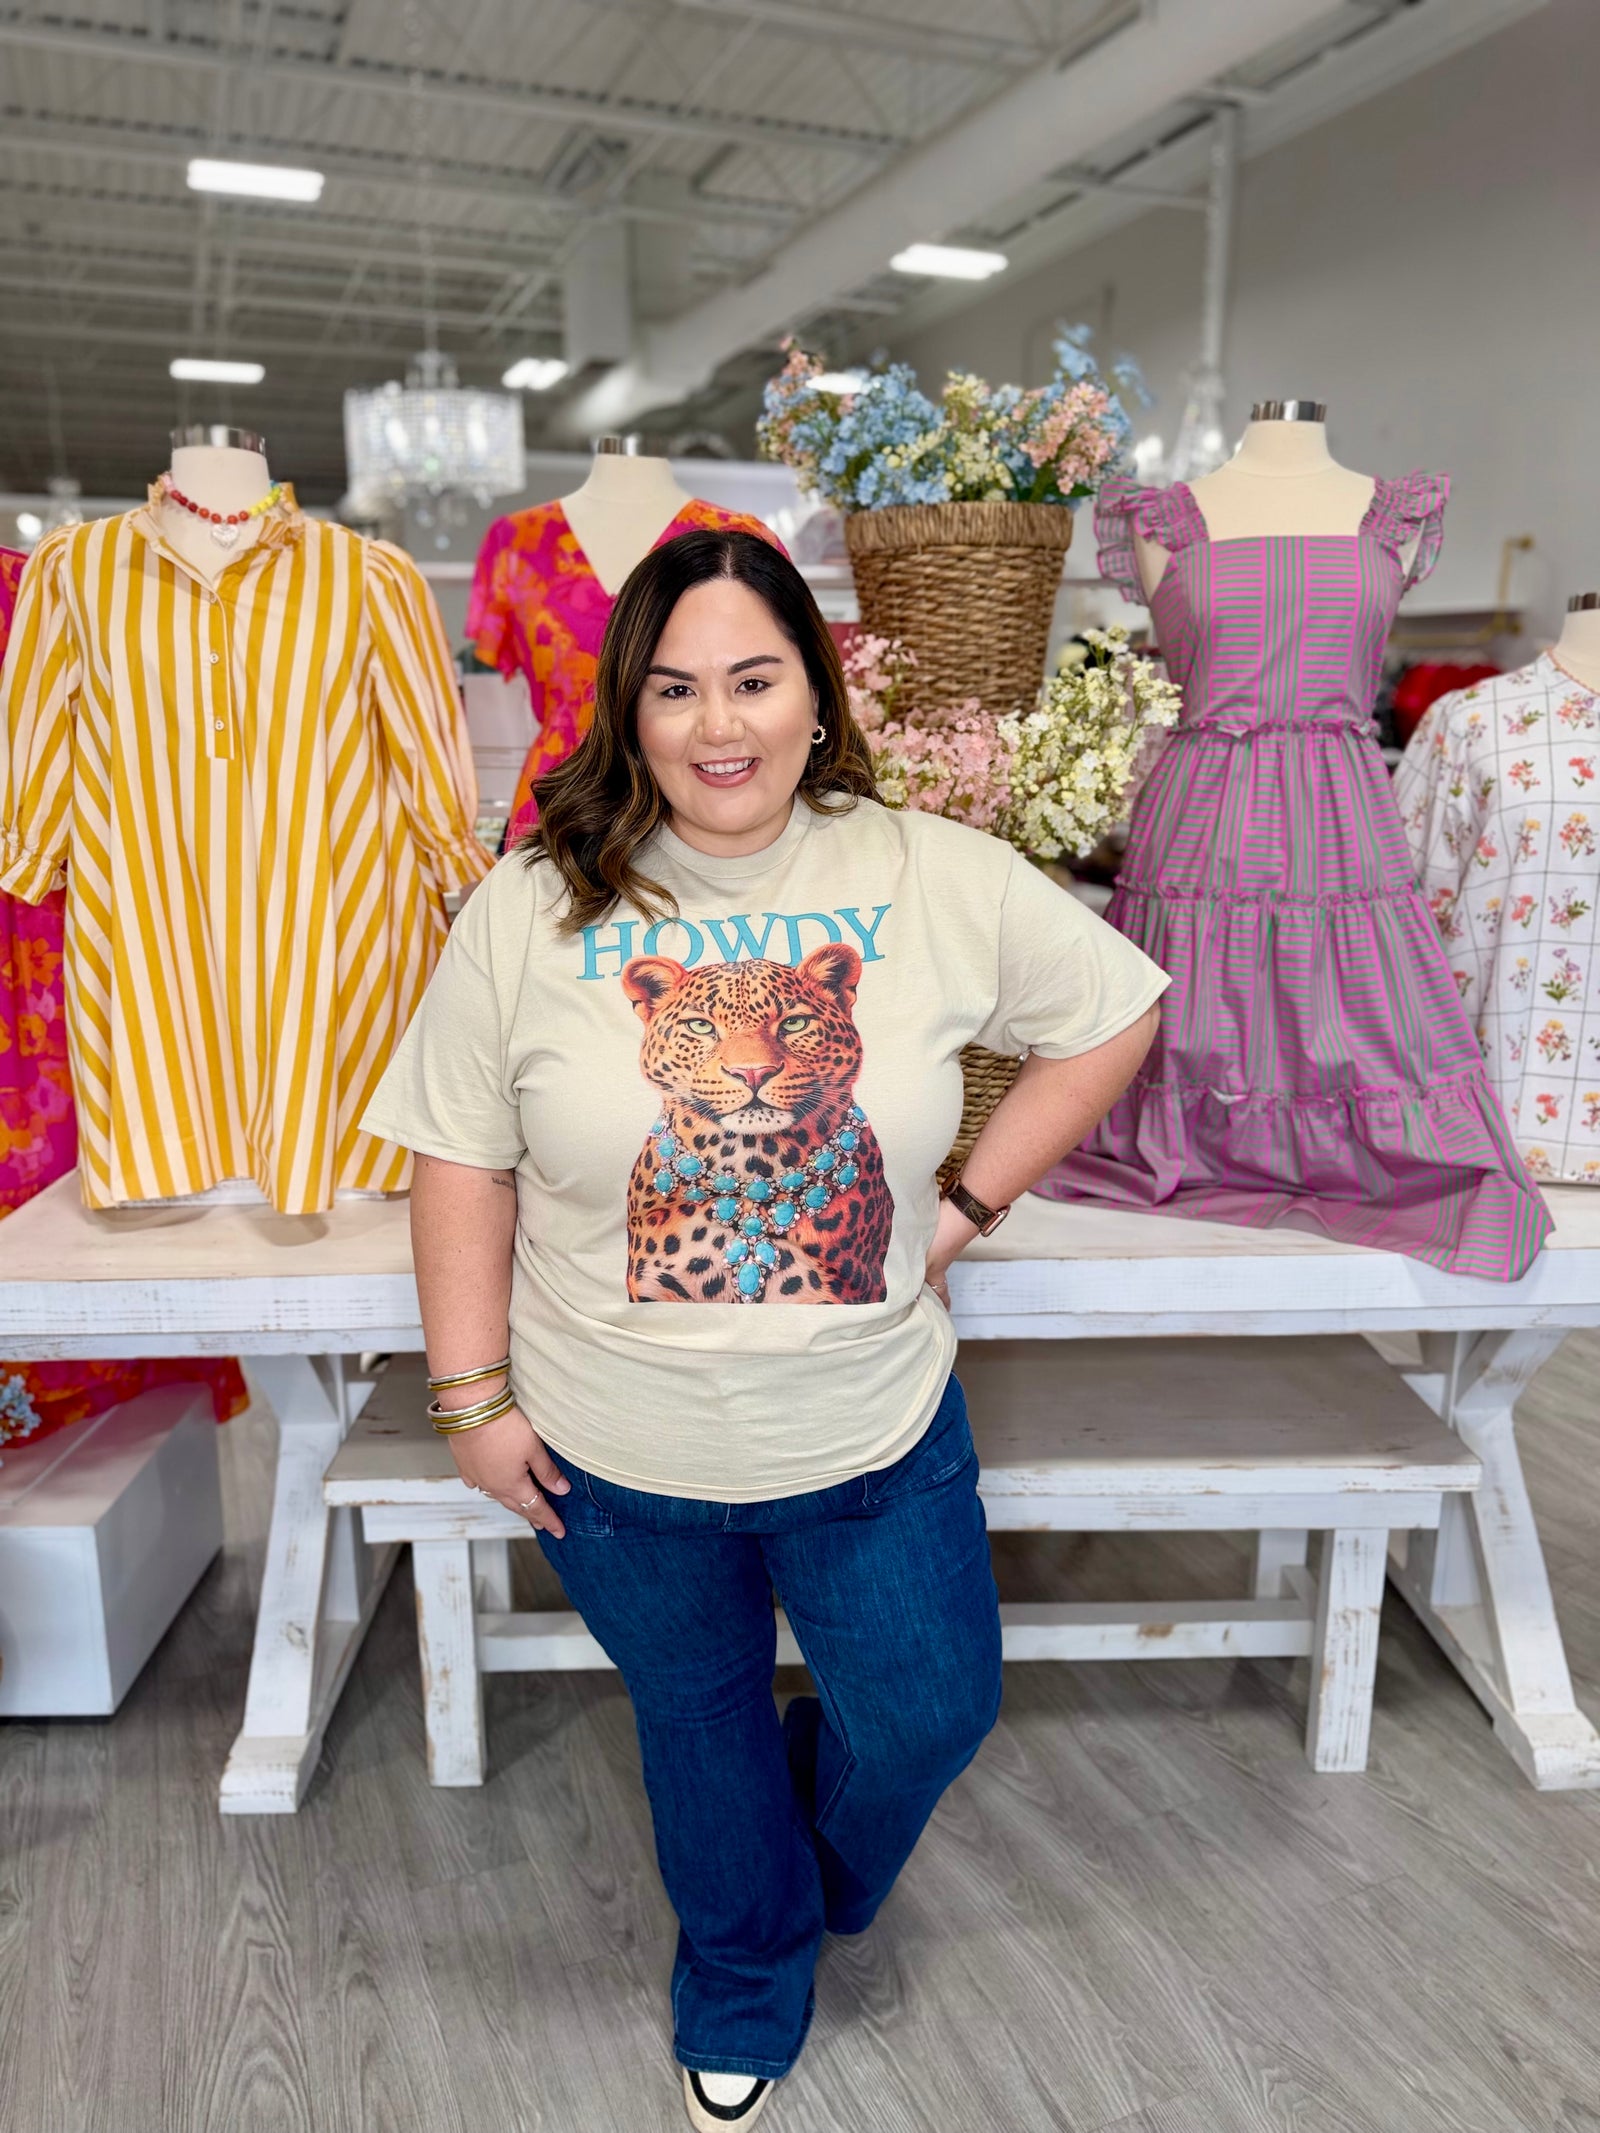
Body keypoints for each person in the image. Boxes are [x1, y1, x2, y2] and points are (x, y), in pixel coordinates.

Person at [363, 530, 1167, 2129]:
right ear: (626, 709)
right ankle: (742, 1969)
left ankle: (808, 1879)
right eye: (673, 688)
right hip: (616, 1441)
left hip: (871, 1429)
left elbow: (1116, 1010)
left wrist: (967, 1205)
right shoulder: (535, 905)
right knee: (700, 1717)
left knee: (933, 1710)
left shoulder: (929, 871)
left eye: (752, 678)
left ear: (816, 691)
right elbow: (461, 1150)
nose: (715, 724)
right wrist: (470, 1398)